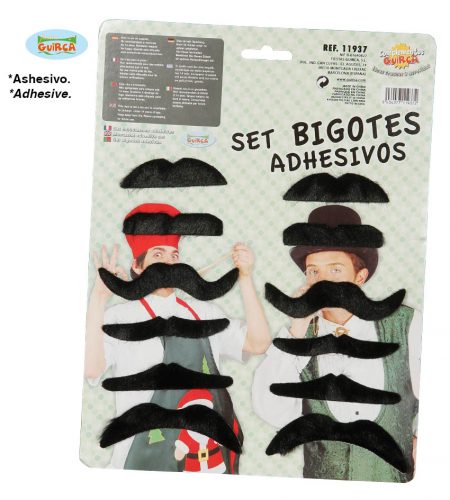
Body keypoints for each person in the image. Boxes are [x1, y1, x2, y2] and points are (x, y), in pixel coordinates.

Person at [84, 203, 271, 471]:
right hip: (138, 461)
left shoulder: (204, 313)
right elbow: (91, 369)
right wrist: (99, 298)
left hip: (203, 461)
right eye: (158, 255)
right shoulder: (120, 317)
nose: (169, 264)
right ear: (137, 265)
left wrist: (245, 277)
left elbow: (258, 343)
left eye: (174, 256)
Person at [252, 205, 421, 482]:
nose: (323, 283)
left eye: (335, 270)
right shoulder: (299, 337)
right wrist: (295, 332)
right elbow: (272, 412)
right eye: (313, 272)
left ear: (360, 277)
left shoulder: (406, 324)